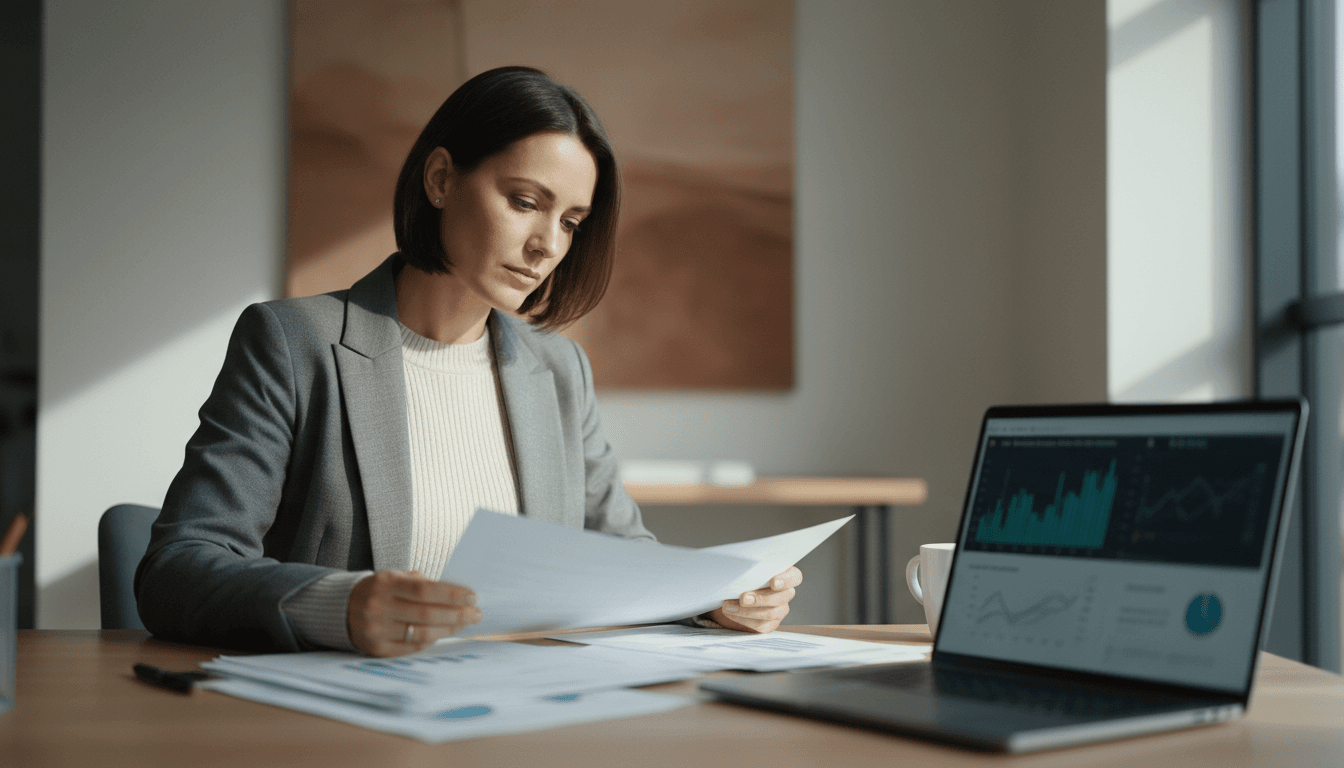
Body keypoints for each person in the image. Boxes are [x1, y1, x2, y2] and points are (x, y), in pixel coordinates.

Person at [135, 66, 802, 657]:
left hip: (520, 714)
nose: (546, 245)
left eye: (571, 220)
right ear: (441, 179)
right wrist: (338, 604)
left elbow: (624, 562)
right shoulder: (292, 342)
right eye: (524, 202)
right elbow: (178, 568)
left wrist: (712, 600)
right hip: (345, 726)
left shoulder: (559, 371)